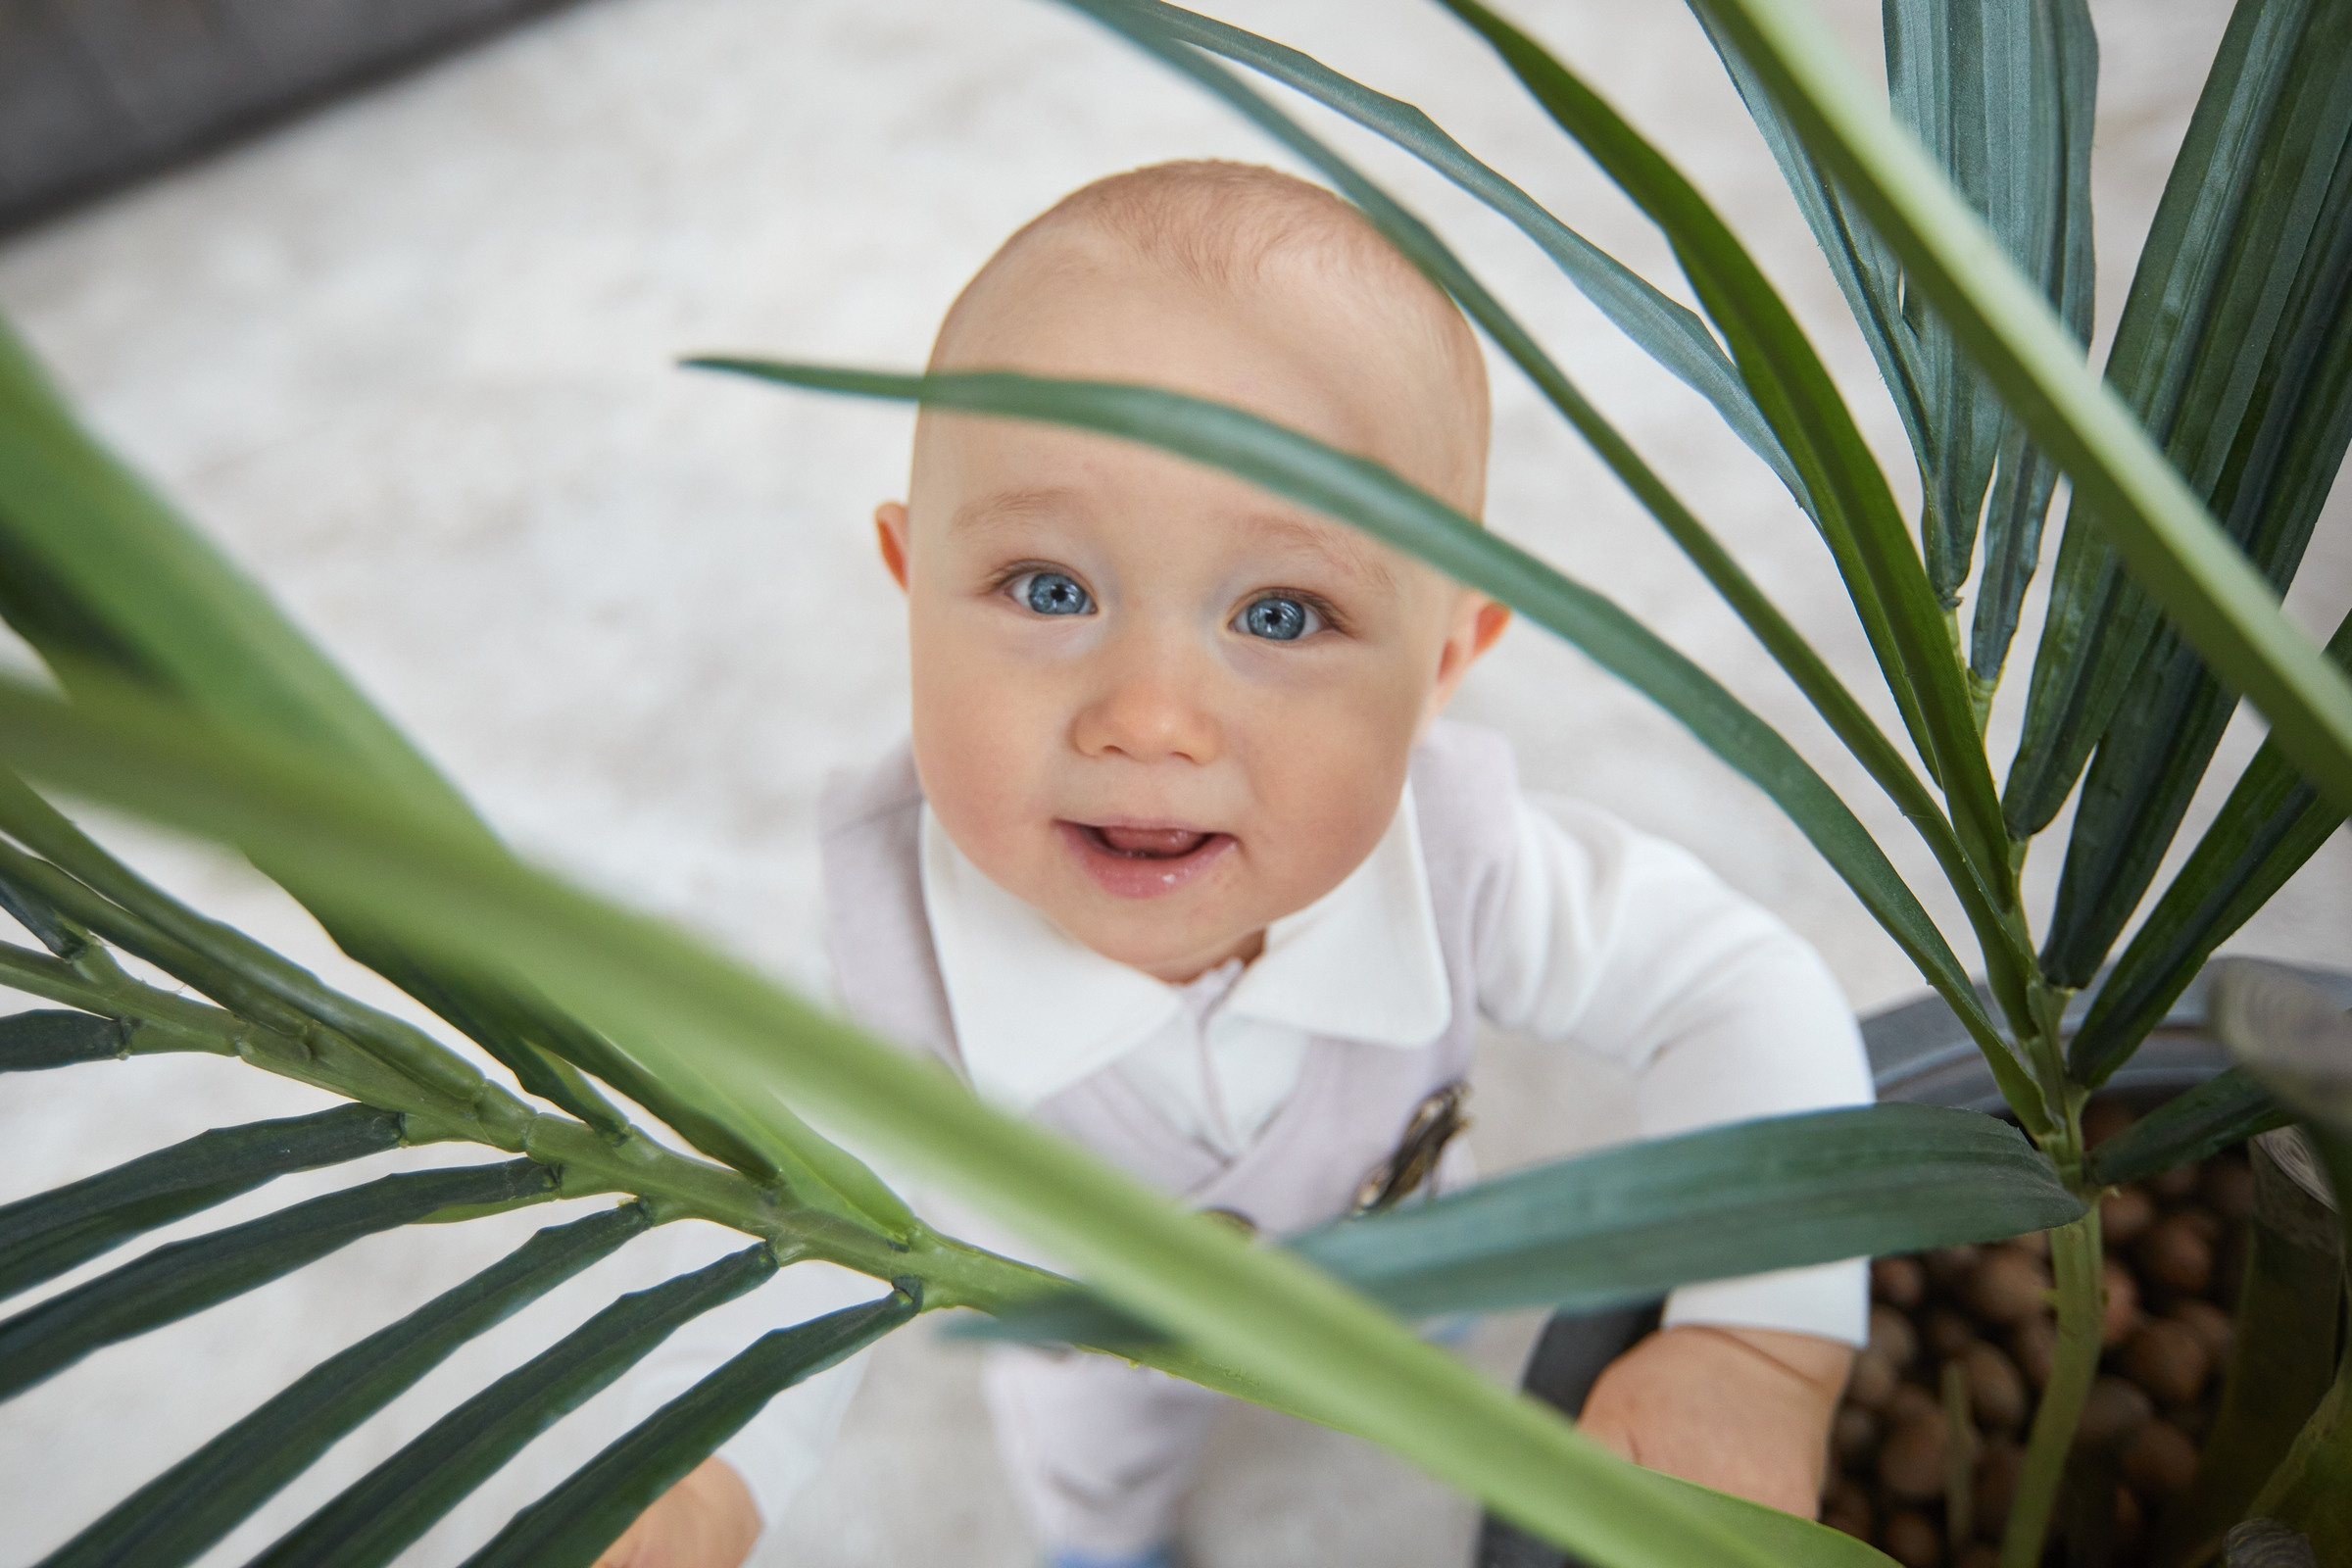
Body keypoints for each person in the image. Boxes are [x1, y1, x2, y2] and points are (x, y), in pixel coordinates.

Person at [600, 159, 1871, 1568]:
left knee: (1416, 1312)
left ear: (1444, 661)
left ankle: (1414, 1315)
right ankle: (1113, 1542)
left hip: (1402, 1234)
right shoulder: (873, 955)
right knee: (1094, 1470)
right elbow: (772, 1240)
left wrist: (1760, 1346)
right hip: (1103, 1350)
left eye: (1279, 612)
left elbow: (1739, 989)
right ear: (912, 588)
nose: (1148, 718)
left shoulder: (1463, 857)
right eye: (1049, 588)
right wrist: (697, 1482)